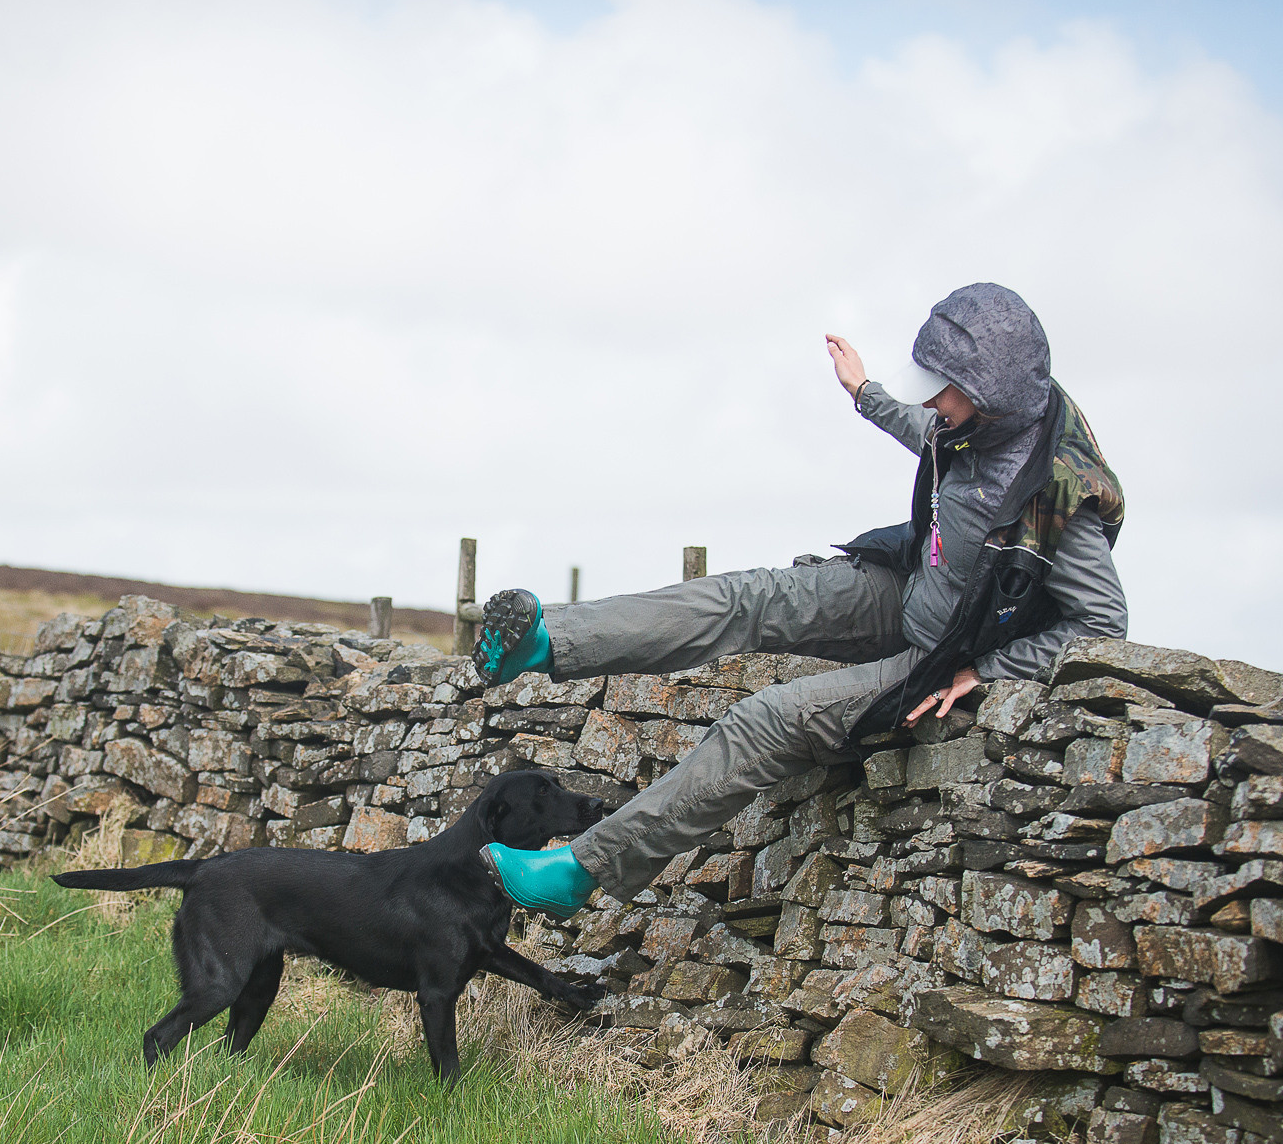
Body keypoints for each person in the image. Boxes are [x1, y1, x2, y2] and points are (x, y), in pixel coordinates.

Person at [471, 282, 1128, 916]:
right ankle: (546, 642)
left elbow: (1102, 623)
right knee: (746, 596)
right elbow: (925, 431)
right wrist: (865, 393)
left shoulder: (1060, 492)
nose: (932, 403)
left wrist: (982, 671)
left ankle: (581, 872)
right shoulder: (972, 422)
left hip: (939, 657)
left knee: (764, 719)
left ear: (991, 391)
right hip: (910, 584)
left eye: (943, 390)